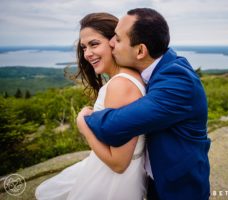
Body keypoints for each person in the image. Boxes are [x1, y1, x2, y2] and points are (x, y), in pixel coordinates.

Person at [79, 8, 211, 200]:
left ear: (140, 50)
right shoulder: (160, 67)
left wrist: (84, 119)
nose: (111, 42)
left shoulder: (177, 82)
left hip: (179, 189)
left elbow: (112, 126)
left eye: (117, 38)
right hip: (153, 180)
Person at [35, 12, 147, 200]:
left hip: (114, 182)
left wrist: (83, 125)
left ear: (115, 41)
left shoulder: (121, 85)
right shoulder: (126, 79)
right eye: (84, 47)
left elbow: (119, 163)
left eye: (94, 44)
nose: (87, 54)